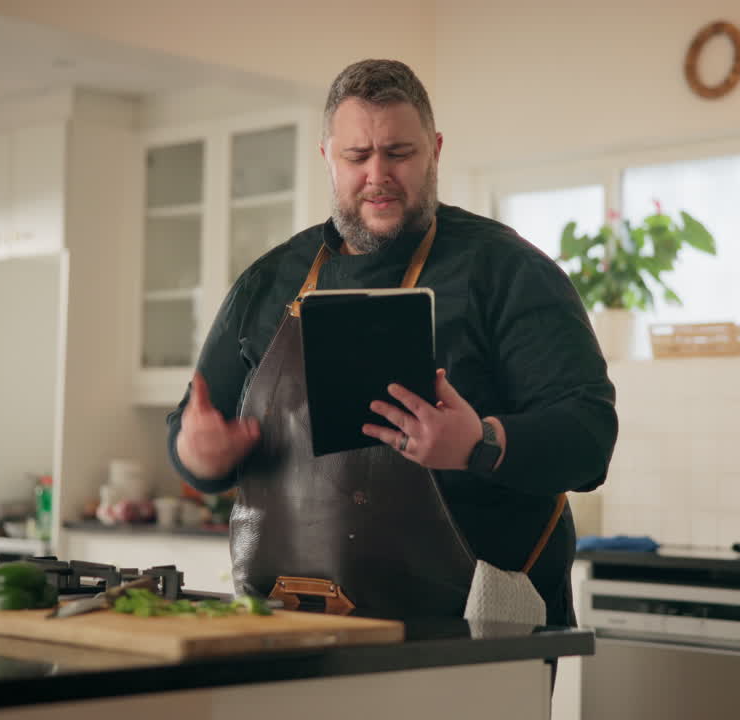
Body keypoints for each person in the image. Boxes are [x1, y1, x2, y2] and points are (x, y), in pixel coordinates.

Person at [167, 58, 616, 627]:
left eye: (399, 153)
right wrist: (197, 454)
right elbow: (188, 433)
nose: (377, 174)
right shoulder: (268, 281)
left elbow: (589, 436)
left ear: (435, 149)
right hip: (291, 632)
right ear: (327, 157)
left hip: (471, 642)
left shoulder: (509, 272)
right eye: (357, 156)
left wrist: (480, 442)